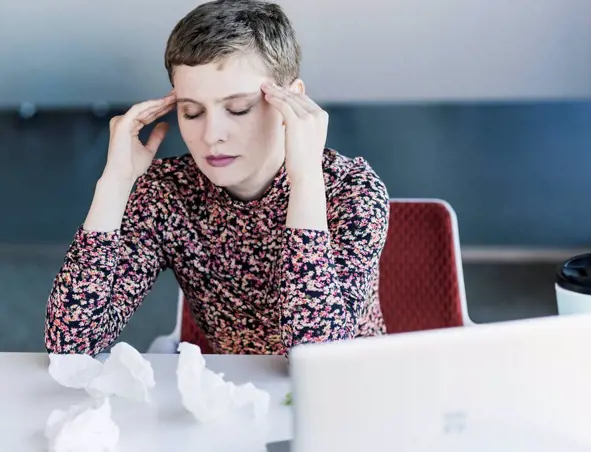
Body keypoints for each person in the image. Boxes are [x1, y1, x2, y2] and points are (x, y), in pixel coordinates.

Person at [44, 0, 389, 356]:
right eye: (191, 112)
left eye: (238, 109)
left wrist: (305, 182)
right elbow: (70, 344)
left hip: (352, 394)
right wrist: (115, 183)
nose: (212, 136)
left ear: (292, 101)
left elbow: (319, 358)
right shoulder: (168, 193)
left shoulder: (352, 190)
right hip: (232, 395)